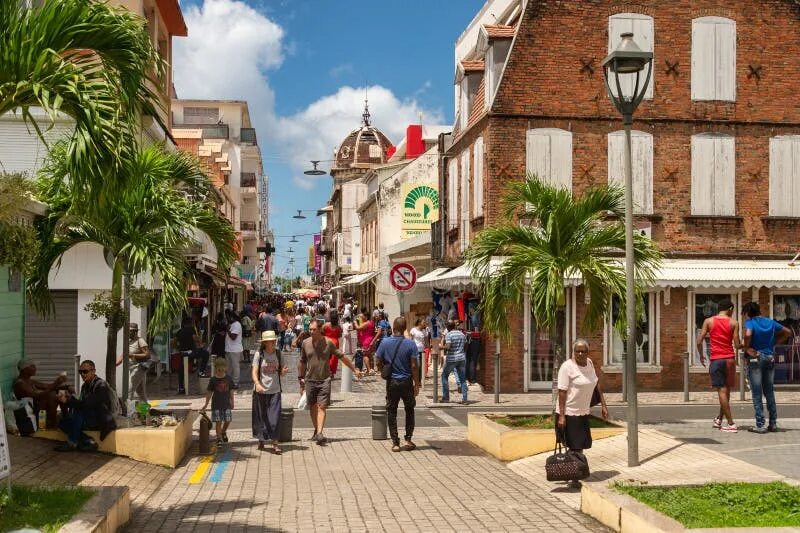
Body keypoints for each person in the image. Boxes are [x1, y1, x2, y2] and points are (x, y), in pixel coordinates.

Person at [298, 318, 362, 445]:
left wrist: (354, 369)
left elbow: (342, 357)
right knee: (312, 407)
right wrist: (300, 379)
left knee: (322, 406)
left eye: (314, 329)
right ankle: (317, 430)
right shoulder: (305, 343)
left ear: (320, 330)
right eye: (310, 329)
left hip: (325, 380)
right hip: (310, 380)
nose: (311, 332)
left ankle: (320, 433)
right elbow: (302, 361)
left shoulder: (329, 343)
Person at [555, 339, 608, 487]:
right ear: (573, 352)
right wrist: (562, 416)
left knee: (581, 444)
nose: (580, 353)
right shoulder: (567, 367)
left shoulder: (589, 363)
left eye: (583, 351)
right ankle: (574, 477)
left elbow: (597, 385)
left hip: (583, 412)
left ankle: (571, 471)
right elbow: (562, 391)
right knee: (574, 446)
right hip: (569, 413)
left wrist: (604, 405)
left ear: (587, 352)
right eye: (577, 351)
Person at [742, 302, 791, 433]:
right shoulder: (770, 322)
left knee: (757, 392)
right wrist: (775, 342)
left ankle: (760, 425)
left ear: (747, 313)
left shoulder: (750, 322)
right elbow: (787, 332)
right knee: (769, 391)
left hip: (756, 358)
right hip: (770, 357)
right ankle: (773, 423)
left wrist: (747, 347)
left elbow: (747, 334)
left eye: (744, 315)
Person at [696, 298, 742, 432]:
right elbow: (737, 344)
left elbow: (699, 341)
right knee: (726, 391)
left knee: (722, 392)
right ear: (730, 309)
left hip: (717, 359)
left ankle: (731, 423)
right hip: (730, 359)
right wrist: (747, 346)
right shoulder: (734, 323)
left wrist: (701, 355)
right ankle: (719, 419)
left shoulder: (708, 321)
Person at [375, 317, 420, 452]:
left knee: (392, 410)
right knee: (409, 409)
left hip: (392, 382)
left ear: (393, 328)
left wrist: (383, 369)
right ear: (405, 328)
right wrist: (417, 383)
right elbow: (413, 366)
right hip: (406, 381)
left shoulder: (385, 342)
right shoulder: (410, 344)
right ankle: (408, 439)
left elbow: (377, 360)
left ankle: (395, 442)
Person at [55, 360, 116, 452]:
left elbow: (87, 404)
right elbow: (82, 402)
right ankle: (88, 441)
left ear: (93, 371)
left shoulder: (101, 385)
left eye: (85, 371)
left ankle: (72, 443)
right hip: (90, 416)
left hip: (103, 419)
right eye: (80, 372)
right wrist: (69, 396)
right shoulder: (85, 386)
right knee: (62, 422)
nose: (82, 374)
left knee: (79, 411)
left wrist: (68, 401)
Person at [252, 331, 288, 454]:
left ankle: (275, 443)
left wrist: (283, 371)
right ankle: (261, 440)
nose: (274, 342)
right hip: (261, 390)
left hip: (275, 390)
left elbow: (282, 371)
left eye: (274, 340)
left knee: (275, 418)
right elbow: (254, 371)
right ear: (265, 343)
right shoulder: (259, 354)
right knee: (261, 417)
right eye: (271, 340)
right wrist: (257, 384)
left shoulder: (278, 353)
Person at [13, 359, 68, 430]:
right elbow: (36, 396)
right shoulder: (20, 384)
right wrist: (56, 384)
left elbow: (47, 386)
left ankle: (66, 419)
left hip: (38, 407)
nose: (35, 368)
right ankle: (53, 424)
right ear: (25, 369)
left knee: (60, 392)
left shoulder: (29, 381)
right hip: (31, 411)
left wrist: (66, 387)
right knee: (51, 395)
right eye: (32, 366)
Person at [201, 357, 235, 445]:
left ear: (225, 368)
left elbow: (231, 390)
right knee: (218, 422)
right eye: (219, 370)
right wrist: (206, 404)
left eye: (222, 370)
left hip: (226, 404)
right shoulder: (213, 380)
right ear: (216, 369)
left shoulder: (228, 379)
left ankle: (223, 432)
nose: (220, 372)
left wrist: (232, 401)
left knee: (228, 420)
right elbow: (209, 392)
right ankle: (218, 438)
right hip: (216, 405)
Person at [120, 323, 152, 402]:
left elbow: (147, 355)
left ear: (135, 332)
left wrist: (133, 355)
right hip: (132, 368)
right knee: (141, 393)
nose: (128, 333)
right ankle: (144, 412)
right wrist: (116, 364)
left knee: (128, 391)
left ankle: (128, 412)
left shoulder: (140, 341)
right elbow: (123, 355)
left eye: (130, 331)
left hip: (139, 369)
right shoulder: (129, 342)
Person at [440, 320, 468, 404]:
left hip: (452, 359)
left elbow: (448, 347)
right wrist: (462, 352)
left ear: (448, 327)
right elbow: (466, 344)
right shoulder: (462, 334)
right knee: (462, 378)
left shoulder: (449, 334)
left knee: (444, 376)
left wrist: (441, 347)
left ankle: (446, 397)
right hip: (461, 358)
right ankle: (465, 399)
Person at [225, 310, 244, 389]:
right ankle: (229, 382)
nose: (226, 318)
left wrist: (228, 330)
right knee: (229, 367)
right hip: (229, 349)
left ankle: (235, 383)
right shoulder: (232, 324)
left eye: (227, 317)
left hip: (235, 350)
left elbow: (233, 337)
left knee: (235, 367)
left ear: (231, 317)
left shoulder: (237, 325)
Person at [323, 310, 343, 375]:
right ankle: (332, 371)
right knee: (334, 358)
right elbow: (340, 335)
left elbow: (322, 332)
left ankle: (326, 370)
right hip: (335, 342)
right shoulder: (338, 327)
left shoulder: (326, 325)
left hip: (326, 341)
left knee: (326, 357)